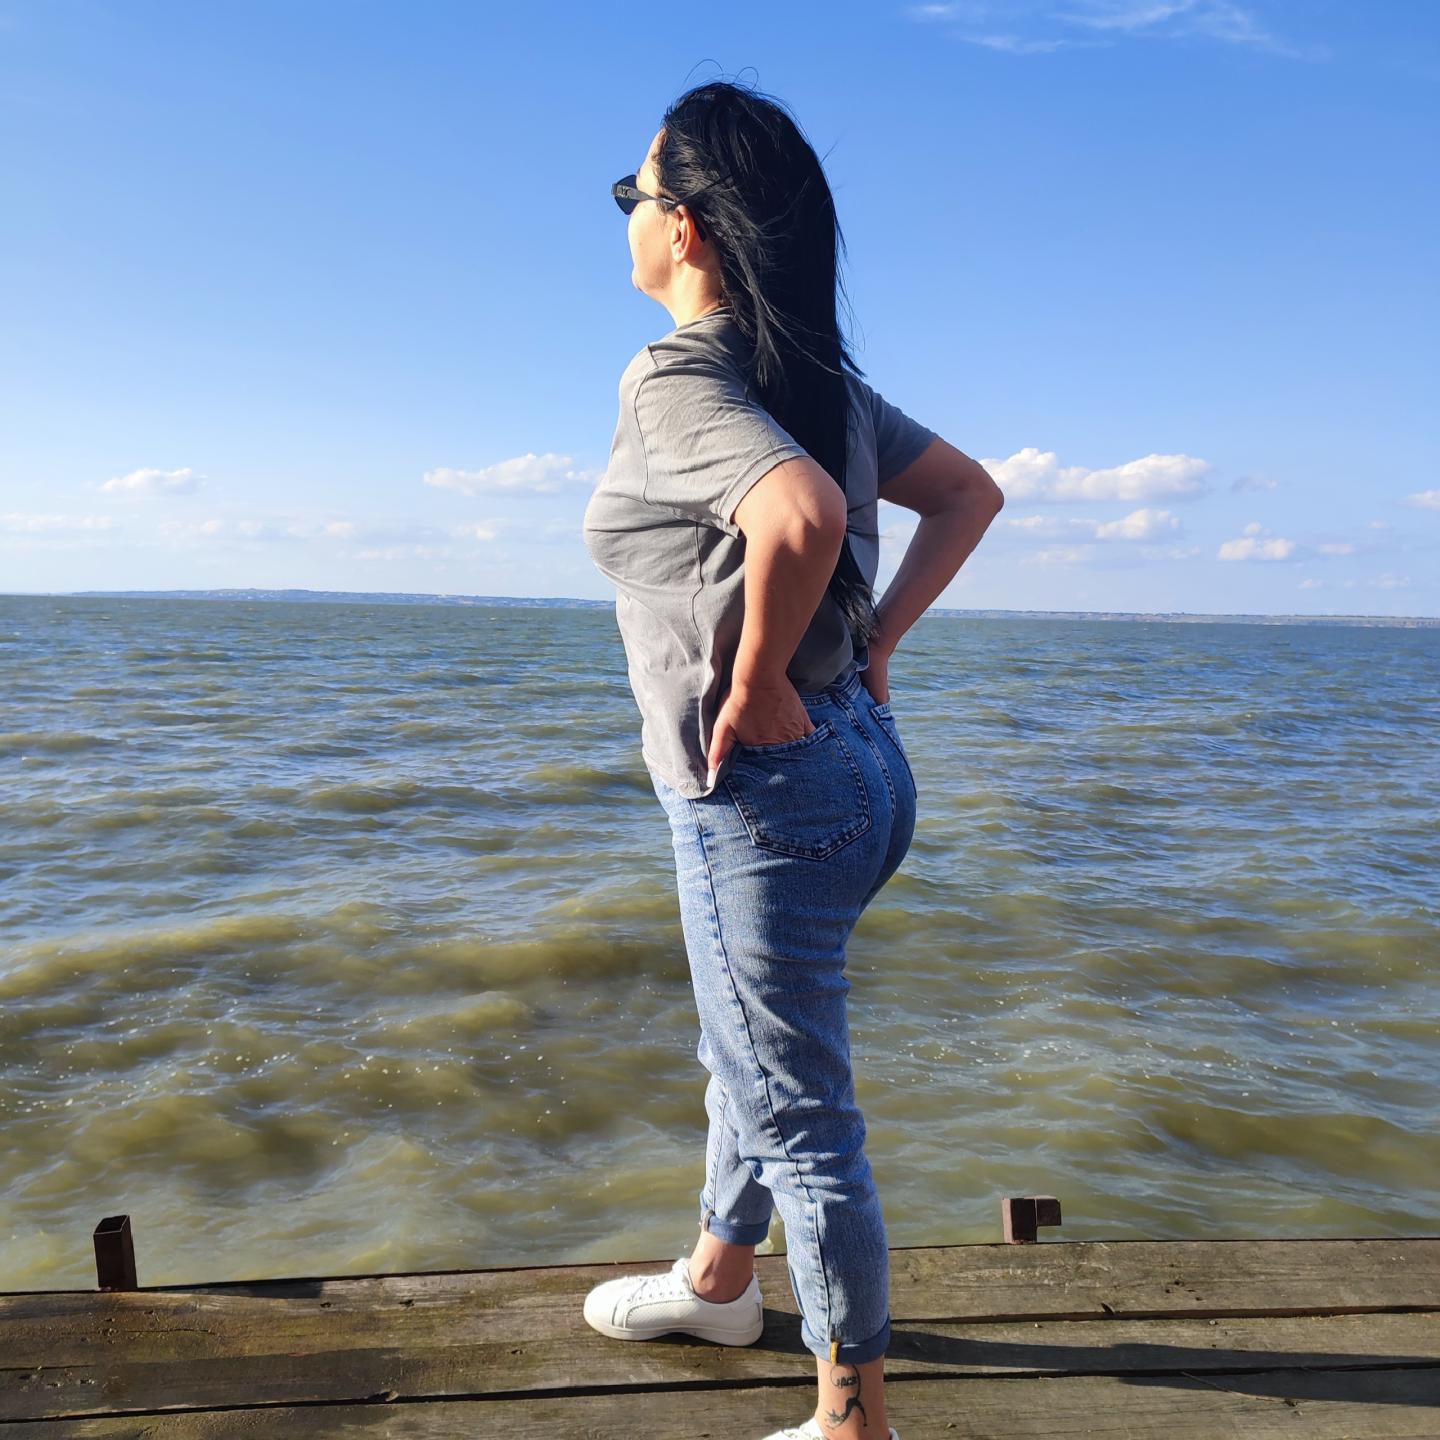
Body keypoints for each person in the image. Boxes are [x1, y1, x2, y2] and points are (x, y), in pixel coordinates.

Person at [580, 77, 1005, 1440]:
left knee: (801, 1114)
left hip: (767, 792)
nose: (627, 215)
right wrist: (876, 649)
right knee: (751, 1056)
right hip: (866, 771)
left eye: (635, 192)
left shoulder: (676, 376)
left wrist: (758, 675)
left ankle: (851, 1420)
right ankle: (720, 1279)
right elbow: (969, 494)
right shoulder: (821, 382)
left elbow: (804, 512)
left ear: (689, 227)